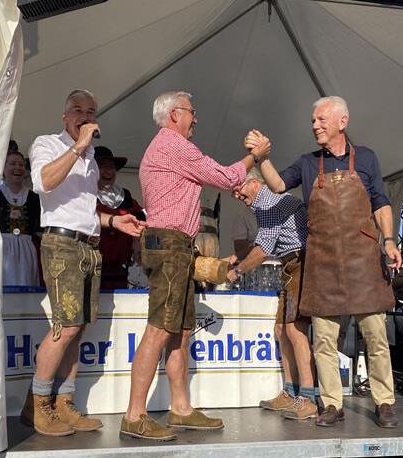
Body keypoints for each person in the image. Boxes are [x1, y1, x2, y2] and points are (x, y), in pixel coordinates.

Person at [120, 90, 269, 441]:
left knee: (181, 329)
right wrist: (254, 157)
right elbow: (224, 176)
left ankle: (181, 408)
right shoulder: (173, 144)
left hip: (174, 244)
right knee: (159, 328)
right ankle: (134, 414)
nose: (196, 119)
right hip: (171, 243)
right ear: (174, 115)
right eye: (192, 112)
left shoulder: (165, 146)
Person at [254, 95, 402, 428]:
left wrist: (389, 240)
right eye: (313, 121)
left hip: (363, 259)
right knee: (323, 339)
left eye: (321, 119)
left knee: (375, 334)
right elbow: (277, 185)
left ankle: (385, 402)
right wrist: (262, 159)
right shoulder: (307, 163)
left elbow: (380, 201)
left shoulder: (366, 158)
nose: (315, 125)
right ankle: (332, 404)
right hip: (322, 261)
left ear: (342, 121)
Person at [24, 89, 145, 437]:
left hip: (88, 244)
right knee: (66, 326)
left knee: (79, 329)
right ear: (64, 117)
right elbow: (43, 183)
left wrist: (112, 222)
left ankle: (63, 401)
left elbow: (84, 208)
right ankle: (37, 404)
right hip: (60, 243)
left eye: (91, 110)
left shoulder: (90, 158)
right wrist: (76, 148)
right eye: (77, 109)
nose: (85, 115)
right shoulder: (47, 143)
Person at [227, 173, 316, 420]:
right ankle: (289, 392)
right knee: (280, 330)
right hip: (290, 266)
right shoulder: (265, 204)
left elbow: (264, 249)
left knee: (295, 330)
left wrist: (236, 271)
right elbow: (264, 243)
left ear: (256, 183)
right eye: (233, 192)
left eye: (239, 189)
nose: (237, 196)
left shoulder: (268, 203)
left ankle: (308, 397)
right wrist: (234, 260)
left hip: (301, 263)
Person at [0, 141, 41, 286]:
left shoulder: (35, 197)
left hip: (27, 250)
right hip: (2, 250)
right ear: (3, 169)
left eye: (21, 164)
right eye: (12, 164)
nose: (17, 167)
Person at [94, 146, 146, 289]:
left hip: (122, 268)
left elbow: (141, 218)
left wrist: (137, 244)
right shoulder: (87, 195)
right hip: (94, 266)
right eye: (103, 167)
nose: (108, 172)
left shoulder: (125, 196)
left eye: (111, 168)